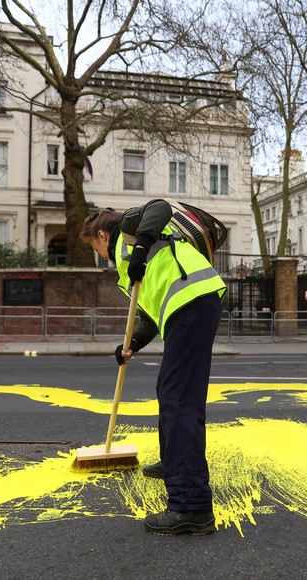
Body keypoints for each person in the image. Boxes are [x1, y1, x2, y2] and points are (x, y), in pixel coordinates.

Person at [80, 200, 226, 535]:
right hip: (188, 308)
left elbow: (159, 207)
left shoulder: (129, 230)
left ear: (102, 235)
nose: (99, 254)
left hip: (193, 304)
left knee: (180, 402)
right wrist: (131, 344)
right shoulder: (126, 261)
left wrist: (141, 251)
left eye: (94, 247)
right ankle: (174, 462)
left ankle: (191, 507)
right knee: (170, 392)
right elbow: (147, 314)